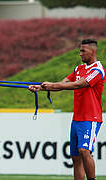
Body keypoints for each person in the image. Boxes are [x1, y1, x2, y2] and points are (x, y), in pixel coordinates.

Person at [29, 39, 104, 180]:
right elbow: (64, 83)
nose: (80, 54)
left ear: (93, 52)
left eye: (83, 51)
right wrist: (40, 87)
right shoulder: (78, 69)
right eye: (80, 50)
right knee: (76, 157)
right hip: (77, 119)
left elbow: (77, 85)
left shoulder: (97, 70)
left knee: (84, 150)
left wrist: (52, 85)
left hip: (91, 118)